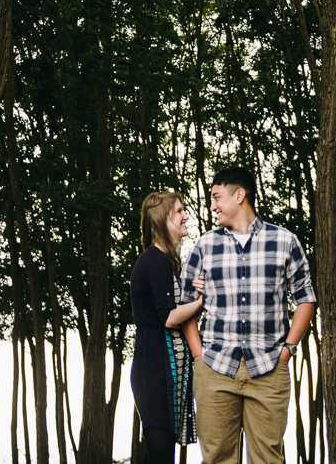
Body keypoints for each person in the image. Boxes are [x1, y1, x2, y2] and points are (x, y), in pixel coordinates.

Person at [182, 166, 316, 464]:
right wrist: (198, 355)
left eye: (217, 197)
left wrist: (287, 350)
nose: (212, 205)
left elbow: (306, 299)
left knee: (268, 459)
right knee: (217, 458)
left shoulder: (285, 241)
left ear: (239, 195)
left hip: (269, 369)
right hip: (214, 368)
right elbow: (185, 303)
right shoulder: (205, 245)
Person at [131, 191, 205, 464]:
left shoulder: (165, 262)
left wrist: (195, 292)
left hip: (162, 367)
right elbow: (169, 317)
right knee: (161, 457)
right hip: (154, 367)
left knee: (159, 457)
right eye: (179, 211)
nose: (186, 215)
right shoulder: (155, 260)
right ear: (163, 220)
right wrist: (201, 302)